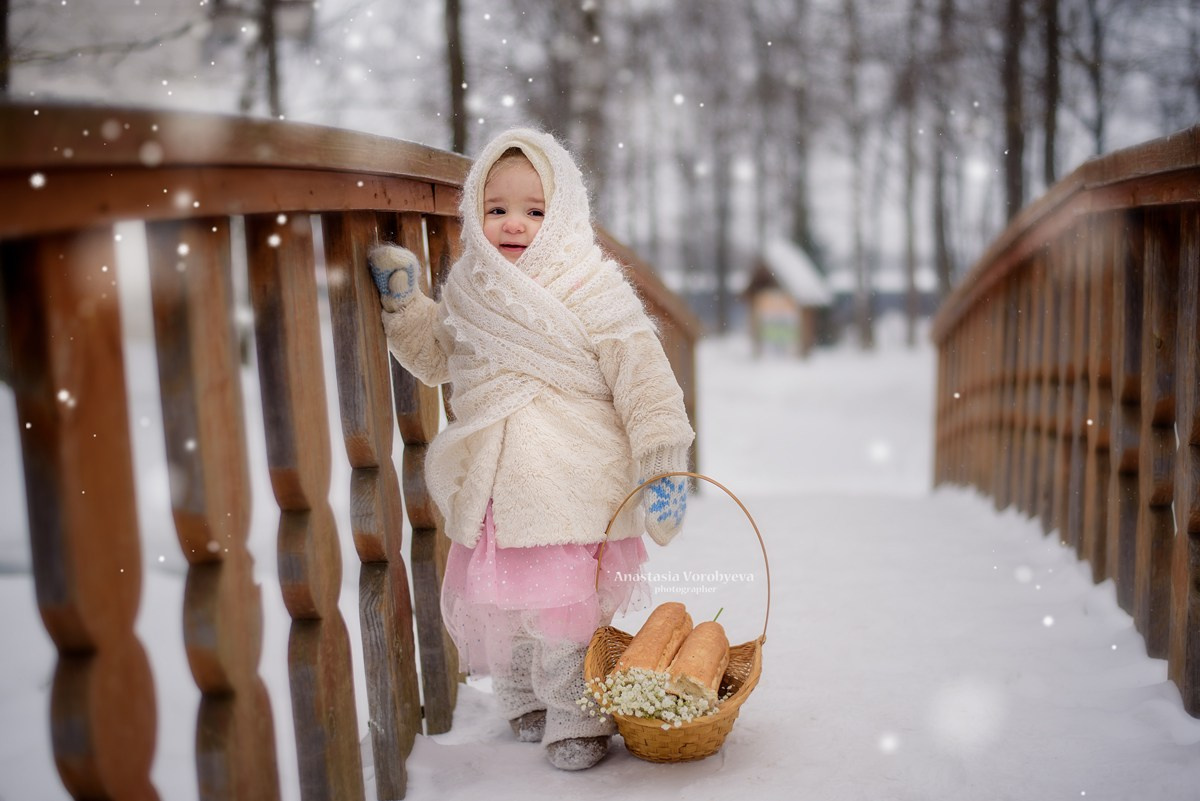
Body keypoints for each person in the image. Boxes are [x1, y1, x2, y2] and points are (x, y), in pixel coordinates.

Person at [368, 128, 694, 770]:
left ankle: (579, 712)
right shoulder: (469, 288)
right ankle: (522, 697)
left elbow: (646, 379)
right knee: (507, 599)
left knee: (567, 606)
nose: (513, 224)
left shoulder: (595, 286)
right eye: (497, 209)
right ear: (473, 212)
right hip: (498, 473)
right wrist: (408, 309)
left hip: (573, 470)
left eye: (535, 210)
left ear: (565, 213)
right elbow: (438, 358)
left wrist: (663, 465)